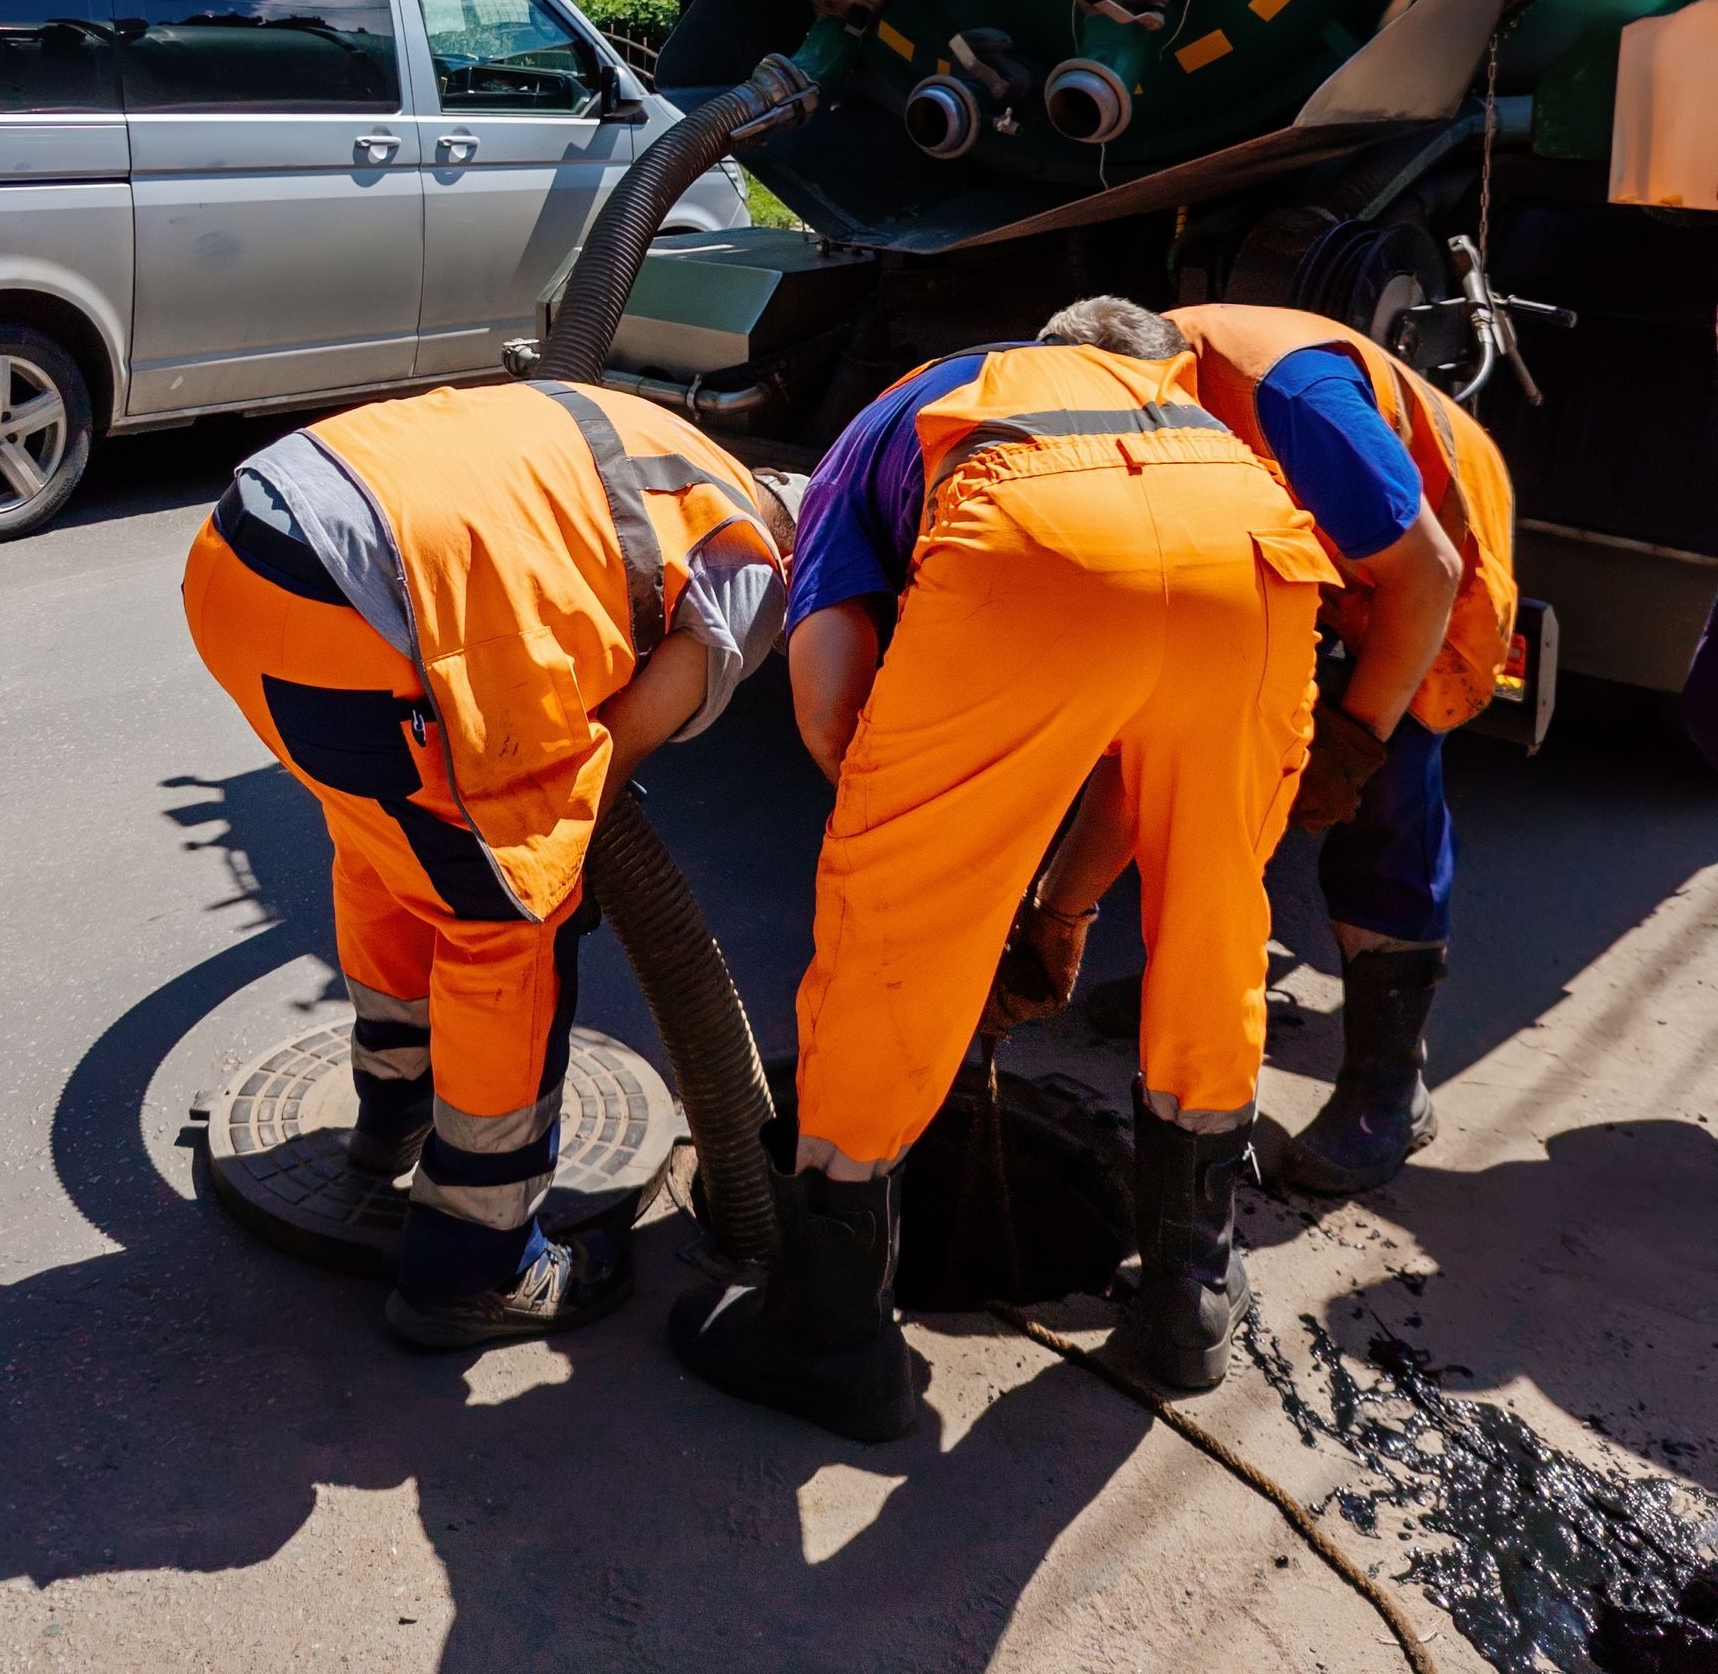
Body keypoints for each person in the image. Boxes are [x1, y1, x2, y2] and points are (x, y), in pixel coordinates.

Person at [669, 301, 1336, 1431]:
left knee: (890, 919)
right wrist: (1061, 906)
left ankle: (828, 1331)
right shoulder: (1189, 420)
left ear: (1042, 344)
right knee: (1221, 915)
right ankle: (1191, 1292)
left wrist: (937, 869)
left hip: (1031, 532)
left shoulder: (916, 407)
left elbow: (832, 703)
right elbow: (1145, 770)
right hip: (1255, 552)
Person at [183, 377, 795, 1353]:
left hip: (243, 554)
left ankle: (397, 1109)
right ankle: (474, 1265)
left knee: (392, 847)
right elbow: (627, 733)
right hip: (358, 610)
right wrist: (546, 838)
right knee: (509, 913)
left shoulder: (670, 452)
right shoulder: (753, 563)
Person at [1060, 296, 1515, 1198]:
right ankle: (1204, 991)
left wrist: (1356, 736)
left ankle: (1389, 1089)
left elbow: (1427, 572)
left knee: (1386, 790)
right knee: (1215, 743)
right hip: (1306, 534)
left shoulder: (1290, 403)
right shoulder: (1127, 390)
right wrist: (1060, 909)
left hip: (1428, 551)